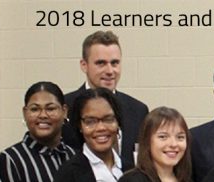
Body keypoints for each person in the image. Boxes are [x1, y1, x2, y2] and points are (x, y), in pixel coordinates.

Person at [62, 30, 150, 170]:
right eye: (101, 63)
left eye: (114, 63)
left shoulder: (138, 110)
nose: (110, 71)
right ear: (84, 65)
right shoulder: (65, 107)